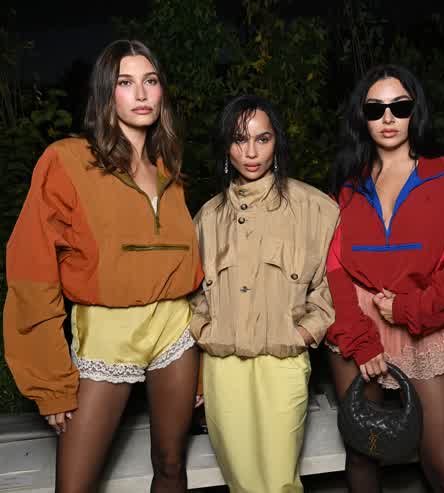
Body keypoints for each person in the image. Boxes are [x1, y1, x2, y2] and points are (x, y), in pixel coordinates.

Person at [3, 39, 203, 493]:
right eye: (125, 83)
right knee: (75, 485)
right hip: (107, 331)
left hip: (174, 328)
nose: (141, 94)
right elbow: (32, 268)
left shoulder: (169, 168)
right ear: (105, 93)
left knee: (172, 465)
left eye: (150, 81)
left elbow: (189, 270)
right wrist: (50, 380)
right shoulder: (68, 160)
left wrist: (205, 364)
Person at [326, 64, 444, 493]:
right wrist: (358, 336)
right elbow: (333, 265)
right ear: (362, 117)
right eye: (375, 109)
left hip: (422, 319)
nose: (388, 118)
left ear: (415, 110)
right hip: (357, 320)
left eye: (399, 106)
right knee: (363, 454)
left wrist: (409, 308)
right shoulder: (347, 183)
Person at [188, 94, 339, 493]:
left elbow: (332, 286)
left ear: (277, 142)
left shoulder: (316, 208)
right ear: (226, 146)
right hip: (223, 365)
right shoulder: (207, 217)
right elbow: (192, 293)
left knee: (279, 481)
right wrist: (204, 329)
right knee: (241, 482)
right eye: (239, 140)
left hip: (282, 361)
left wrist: (303, 332)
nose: (251, 153)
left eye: (262, 139)